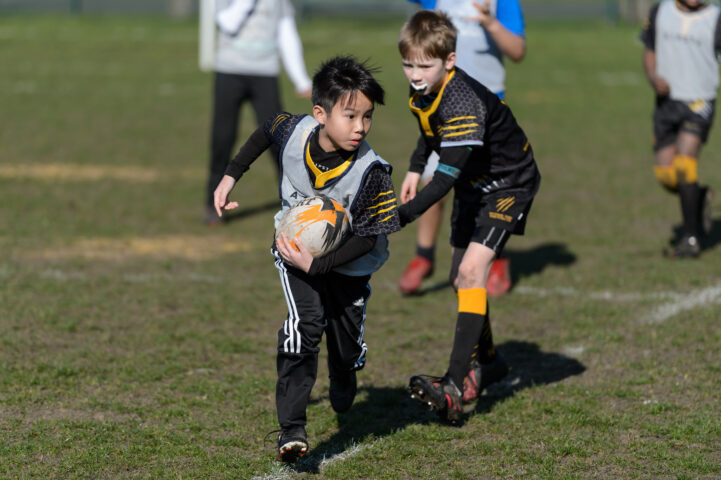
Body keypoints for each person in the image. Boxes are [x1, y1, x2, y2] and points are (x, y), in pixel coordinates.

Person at [213, 56, 400, 462]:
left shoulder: (373, 173)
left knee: (345, 344)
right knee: (305, 323)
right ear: (320, 113)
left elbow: (367, 240)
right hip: (293, 250)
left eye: (367, 118)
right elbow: (265, 131)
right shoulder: (293, 129)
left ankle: (345, 368)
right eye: (350, 116)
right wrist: (230, 176)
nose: (360, 127)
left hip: (351, 265)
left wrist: (319, 265)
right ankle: (291, 430)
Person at [396, 10, 540, 422]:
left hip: (509, 183)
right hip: (474, 184)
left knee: (473, 272)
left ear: (450, 61)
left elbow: (440, 184)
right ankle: (490, 361)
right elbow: (429, 132)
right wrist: (411, 167)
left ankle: (454, 384)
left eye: (425, 65)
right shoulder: (425, 89)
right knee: (462, 278)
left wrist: (400, 216)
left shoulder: (462, 100)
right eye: (408, 63)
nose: (415, 73)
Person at [398, 0, 527, 296]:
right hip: (444, 107)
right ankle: (423, 256)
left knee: (491, 189)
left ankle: (498, 258)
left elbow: (518, 51)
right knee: (433, 178)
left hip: (487, 113)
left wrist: (489, 22)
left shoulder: (502, 2)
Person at [204, 0, 312, 226]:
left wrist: (300, 79)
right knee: (222, 138)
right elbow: (227, 23)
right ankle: (213, 205)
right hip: (229, 71)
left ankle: (295, 200)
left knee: (278, 139)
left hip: (265, 73)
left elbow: (286, 30)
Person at [639, 0, 717, 258]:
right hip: (666, 104)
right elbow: (650, 51)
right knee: (667, 176)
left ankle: (690, 238)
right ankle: (699, 198)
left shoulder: (715, 18)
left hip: (699, 101)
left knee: (685, 165)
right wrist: (653, 78)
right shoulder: (660, 12)